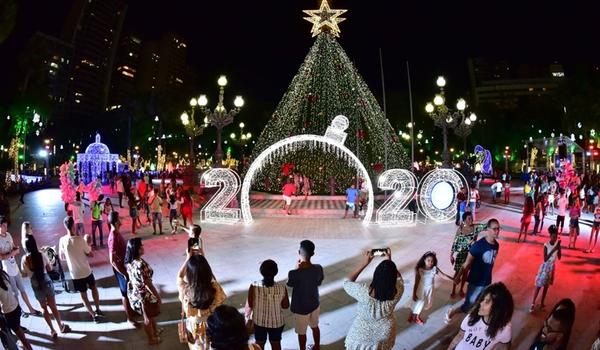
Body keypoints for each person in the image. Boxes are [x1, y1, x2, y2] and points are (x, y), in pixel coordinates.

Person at [343, 248, 404, 350]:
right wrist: (389, 261)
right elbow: (399, 279)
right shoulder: (398, 291)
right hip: (384, 335)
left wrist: (364, 263)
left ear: (376, 275)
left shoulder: (363, 292)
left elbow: (346, 282)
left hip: (360, 335)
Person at [446, 219, 501, 323]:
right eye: (494, 229)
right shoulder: (478, 246)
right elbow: (466, 264)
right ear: (488, 229)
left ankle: (472, 321)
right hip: (475, 281)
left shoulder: (496, 245)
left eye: (498, 229)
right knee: (469, 304)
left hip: (487, 281)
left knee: (480, 303)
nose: (497, 231)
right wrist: (458, 277)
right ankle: (453, 312)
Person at [21, 234, 70, 339]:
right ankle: (60, 326)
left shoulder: (24, 259)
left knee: (43, 308)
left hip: (36, 285)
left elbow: (24, 274)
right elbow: (50, 269)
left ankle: (52, 330)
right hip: (46, 282)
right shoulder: (42, 254)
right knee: (53, 306)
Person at [58, 216, 104, 323]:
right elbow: (91, 254)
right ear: (73, 226)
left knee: (83, 295)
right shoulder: (80, 240)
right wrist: (88, 244)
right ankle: (97, 309)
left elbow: (62, 257)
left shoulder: (62, 240)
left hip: (75, 274)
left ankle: (93, 315)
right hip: (86, 271)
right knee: (93, 288)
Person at [177, 254, 226, 350]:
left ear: (189, 274)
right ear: (208, 271)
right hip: (212, 325)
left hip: (195, 327)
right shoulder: (215, 288)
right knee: (211, 346)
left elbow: (179, 276)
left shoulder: (185, 290)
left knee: (198, 345)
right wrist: (202, 255)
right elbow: (213, 279)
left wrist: (188, 257)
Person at [447, 282, 513, 350]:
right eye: (482, 299)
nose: (481, 303)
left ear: (498, 308)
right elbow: (460, 336)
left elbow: (504, 347)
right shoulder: (471, 317)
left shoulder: (504, 329)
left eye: (486, 301)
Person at [287, 240, 324, 350]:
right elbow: (319, 282)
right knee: (315, 326)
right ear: (313, 254)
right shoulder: (318, 268)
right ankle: (316, 346)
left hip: (301, 308)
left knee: (302, 332)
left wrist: (296, 268)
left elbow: (290, 283)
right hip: (314, 304)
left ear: (299, 252)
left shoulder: (293, 273)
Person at [0, 216, 40, 317]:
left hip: (14, 267)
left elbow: (13, 247)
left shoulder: (8, 235)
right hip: (7, 269)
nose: (6, 227)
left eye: (6, 225)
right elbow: (1, 257)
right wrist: (12, 253)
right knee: (15, 293)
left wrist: (15, 250)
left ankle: (30, 308)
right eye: (3, 225)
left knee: (22, 289)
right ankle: (20, 310)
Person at [245, 259, 289, 350]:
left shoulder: (254, 286)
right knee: (276, 343)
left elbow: (250, 305)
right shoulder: (282, 288)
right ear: (276, 272)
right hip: (277, 323)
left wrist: (246, 316)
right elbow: (285, 306)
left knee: (259, 344)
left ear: (261, 272)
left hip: (259, 322)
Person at [125, 238, 162, 345]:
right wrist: (157, 296)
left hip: (136, 293)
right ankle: (151, 339)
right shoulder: (140, 264)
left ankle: (155, 331)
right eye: (141, 245)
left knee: (150, 315)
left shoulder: (130, 262)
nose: (143, 247)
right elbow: (148, 283)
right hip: (144, 295)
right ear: (136, 249)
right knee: (147, 318)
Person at [107, 212, 141, 327]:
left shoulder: (116, 233)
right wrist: (123, 273)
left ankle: (131, 312)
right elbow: (112, 260)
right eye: (120, 218)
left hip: (124, 267)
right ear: (116, 222)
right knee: (124, 293)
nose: (121, 219)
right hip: (121, 270)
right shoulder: (113, 237)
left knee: (128, 291)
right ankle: (129, 319)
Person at [409, 251, 452, 325]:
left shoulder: (434, 269)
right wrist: (414, 293)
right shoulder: (420, 269)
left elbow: (443, 275)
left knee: (422, 305)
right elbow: (416, 282)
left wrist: (453, 279)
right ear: (424, 260)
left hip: (429, 291)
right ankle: (412, 315)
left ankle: (417, 317)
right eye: (428, 260)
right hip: (420, 290)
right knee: (416, 303)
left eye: (432, 261)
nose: (430, 262)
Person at [450, 212, 485, 298]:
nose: (471, 220)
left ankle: (461, 289)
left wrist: (493, 227)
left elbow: (485, 226)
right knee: (457, 273)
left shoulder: (475, 228)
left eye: (472, 218)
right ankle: (453, 289)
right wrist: (451, 255)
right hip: (461, 254)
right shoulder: (460, 229)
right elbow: (455, 242)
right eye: (469, 218)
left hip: (470, 255)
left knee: (465, 273)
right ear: (464, 220)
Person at [530, 225, 562, 312]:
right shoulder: (546, 245)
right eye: (553, 236)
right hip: (545, 267)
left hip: (552, 268)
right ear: (550, 235)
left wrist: (559, 249)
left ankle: (542, 303)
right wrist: (554, 249)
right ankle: (532, 303)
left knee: (546, 286)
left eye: (556, 236)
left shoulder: (557, 244)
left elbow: (559, 257)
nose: (555, 238)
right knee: (539, 286)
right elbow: (545, 259)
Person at [0, 266, 32, 350]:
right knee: (18, 330)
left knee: (22, 338)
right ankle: (24, 345)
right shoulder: (3, 274)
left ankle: (27, 347)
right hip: (16, 307)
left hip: (9, 313)